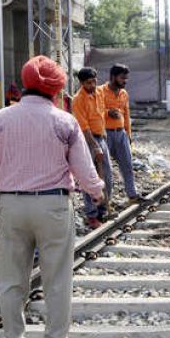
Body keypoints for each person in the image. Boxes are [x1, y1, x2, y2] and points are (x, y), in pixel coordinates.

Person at [0, 56, 105, 338]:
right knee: (57, 280)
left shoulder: (0, 119)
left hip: (11, 205)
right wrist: (98, 192)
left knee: (10, 279)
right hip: (53, 206)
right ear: (57, 89)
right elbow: (85, 174)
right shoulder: (64, 121)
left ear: (26, 81)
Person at [97, 64, 143, 204]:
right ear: (112, 77)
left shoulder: (124, 94)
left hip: (121, 134)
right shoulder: (100, 92)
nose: (125, 81)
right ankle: (106, 201)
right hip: (105, 135)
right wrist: (107, 113)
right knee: (106, 170)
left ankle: (132, 194)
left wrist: (128, 135)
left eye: (126, 78)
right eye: (122, 78)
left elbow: (127, 114)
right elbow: (95, 112)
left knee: (127, 165)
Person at [72, 67, 112, 228]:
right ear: (82, 83)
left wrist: (102, 139)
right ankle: (91, 215)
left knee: (107, 176)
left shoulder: (99, 93)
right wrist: (95, 147)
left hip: (101, 137)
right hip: (87, 140)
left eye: (95, 81)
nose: (93, 84)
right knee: (90, 177)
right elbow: (84, 127)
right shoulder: (78, 100)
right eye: (89, 82)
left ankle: (103, 209)